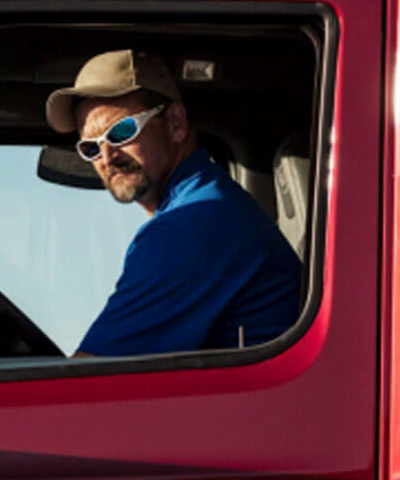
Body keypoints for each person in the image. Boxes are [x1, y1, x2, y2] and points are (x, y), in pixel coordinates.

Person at [46, 49, 302, 356]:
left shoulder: (191, 226)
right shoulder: (205, 207)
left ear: (176, 123)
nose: (107, 157)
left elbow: (87, 382)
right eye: (90, 147)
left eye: (122, 131)